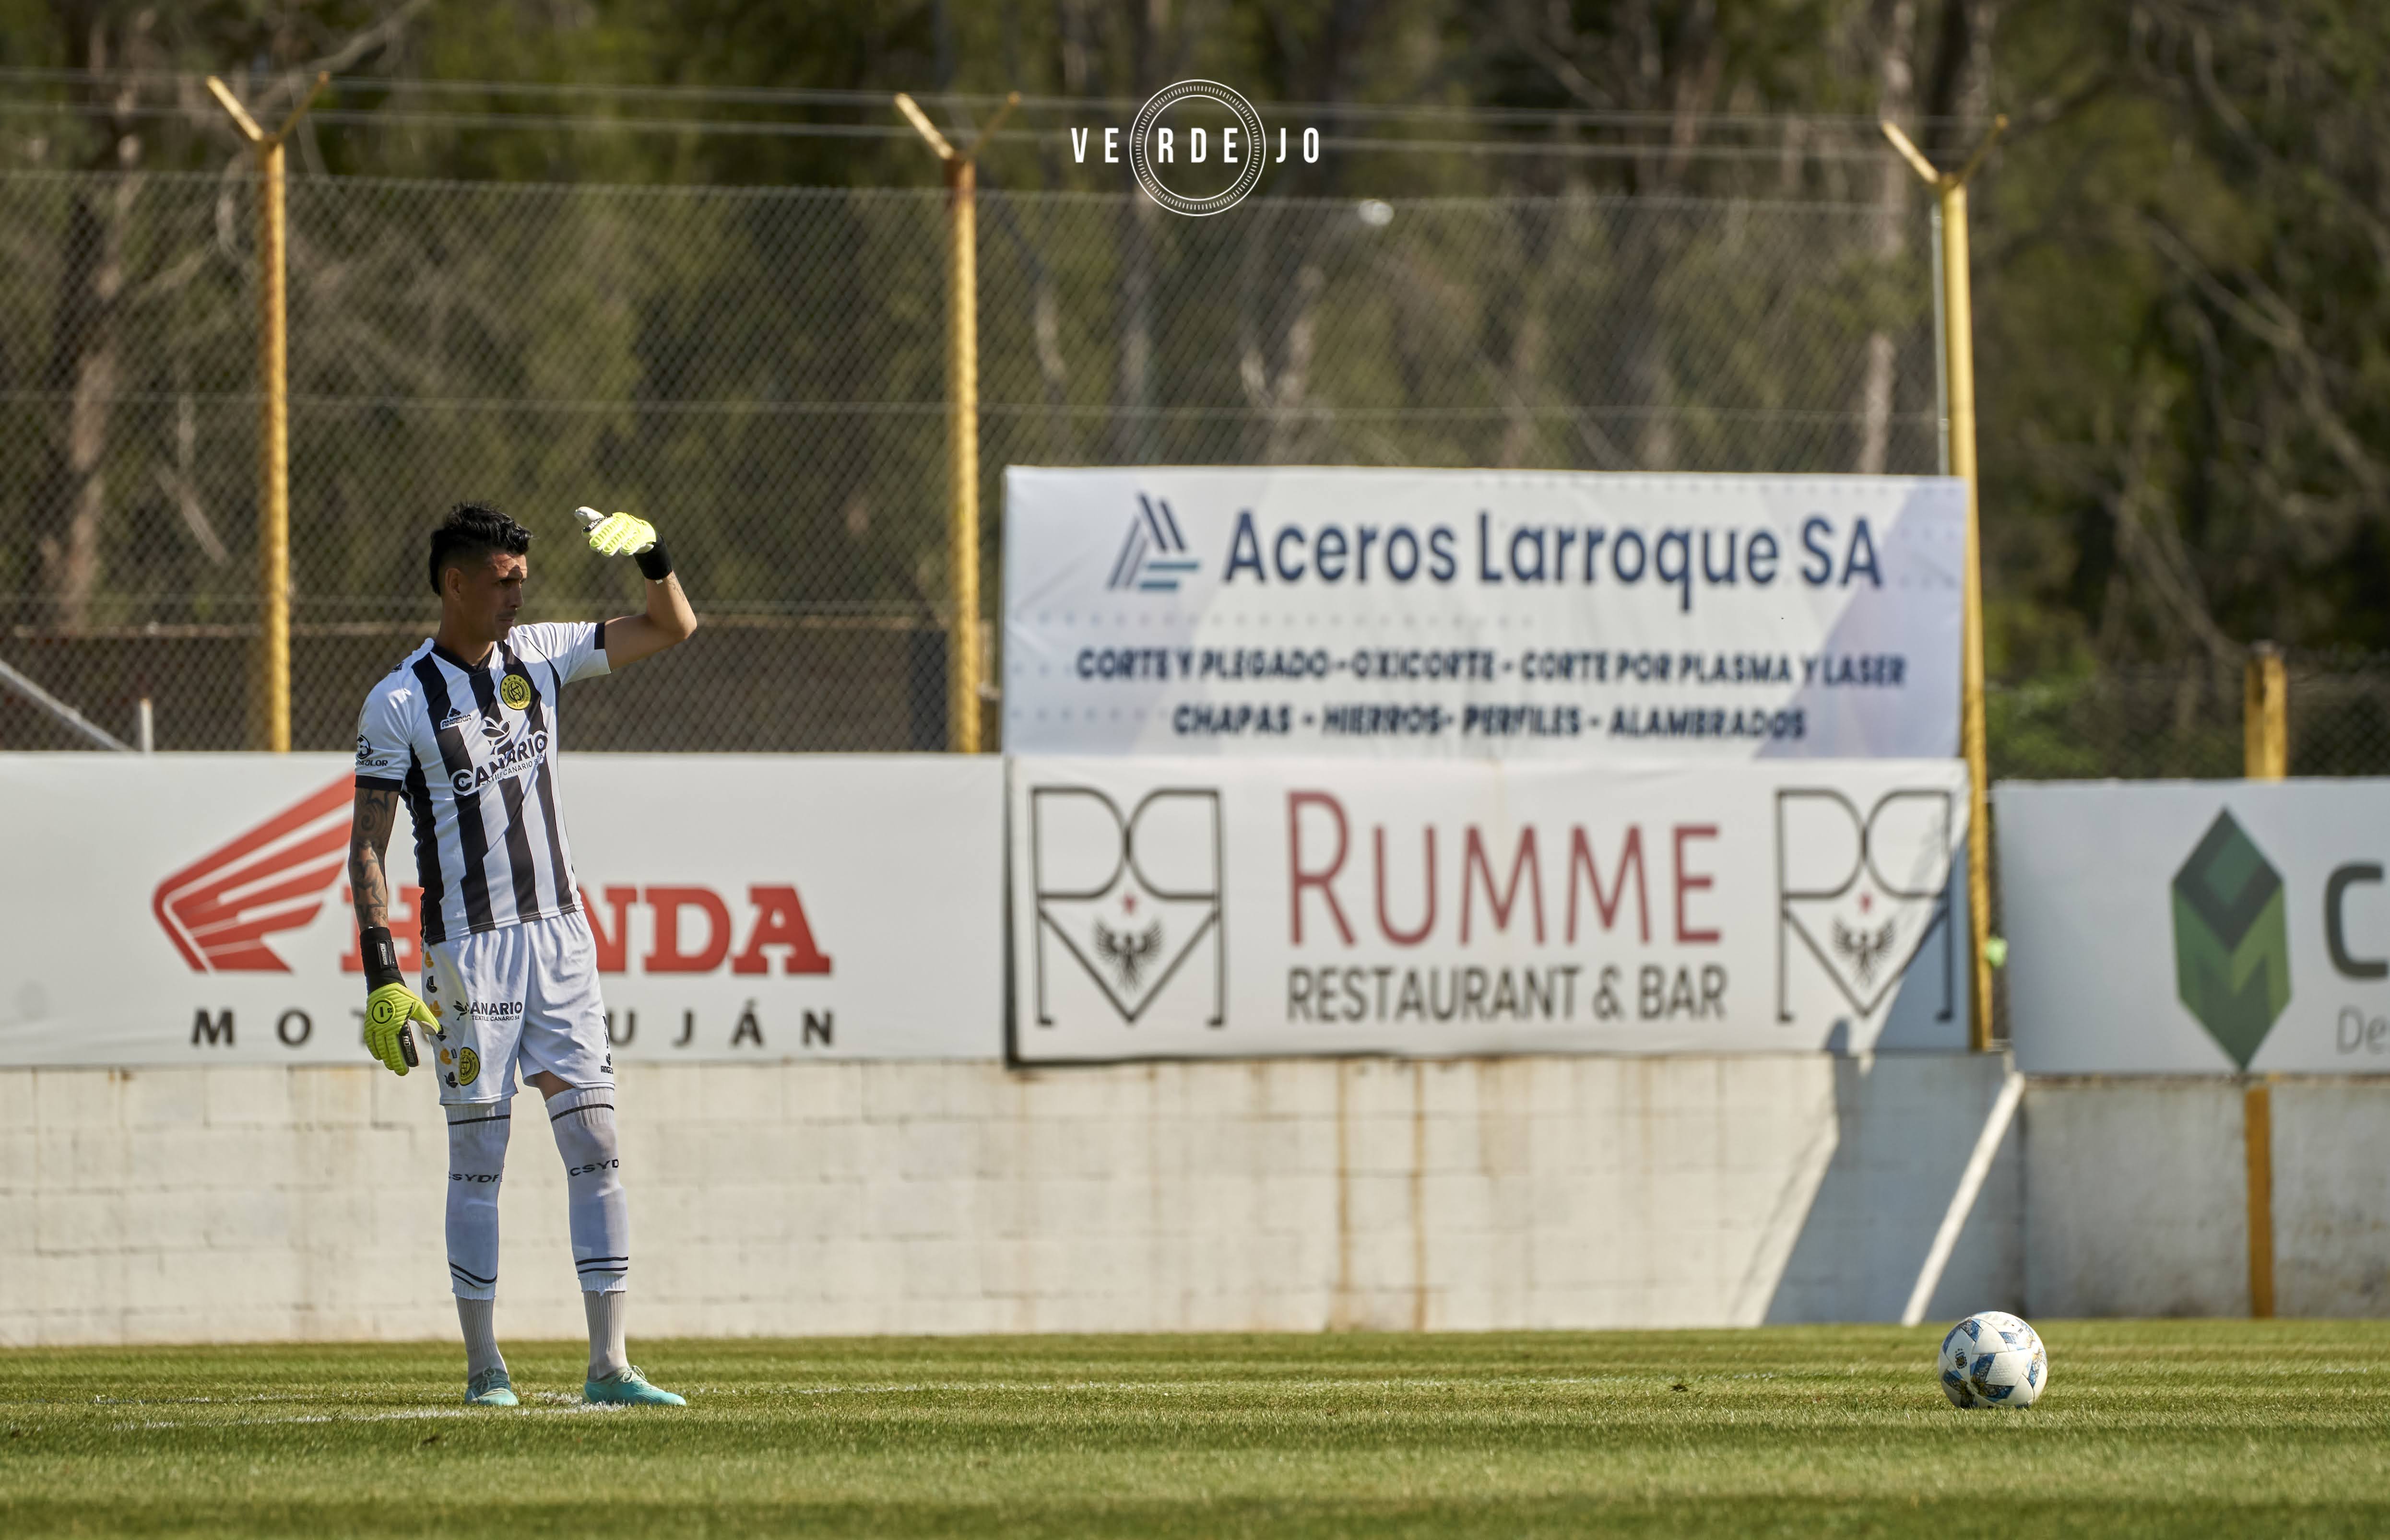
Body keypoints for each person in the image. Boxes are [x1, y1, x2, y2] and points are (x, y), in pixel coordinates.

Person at [346, 501, 696, 1407]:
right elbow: (368, 846)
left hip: (561, 939)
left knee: (597, 1138)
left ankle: (610, 1367)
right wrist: (383, 971)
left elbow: (673, 626)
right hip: (471, 953)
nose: (515, 598)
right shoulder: (398, 701)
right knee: (479, 1159)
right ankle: (482, 1367)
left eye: (522, 584)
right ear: (455, 582)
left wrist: (654, 557)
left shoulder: (539, 655)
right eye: (502, 583)